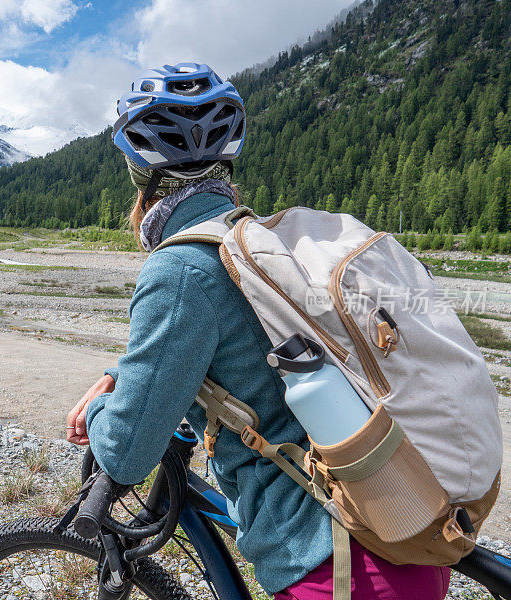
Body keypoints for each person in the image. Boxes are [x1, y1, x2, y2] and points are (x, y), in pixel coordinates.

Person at [66, 62, 450, 600]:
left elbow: (128, 451)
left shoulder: (179, 270)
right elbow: (241, 345)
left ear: (140, 176)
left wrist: (107, 410)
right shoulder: (257, 244)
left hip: (334, 565)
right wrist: (122, 375)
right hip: (403, 522)